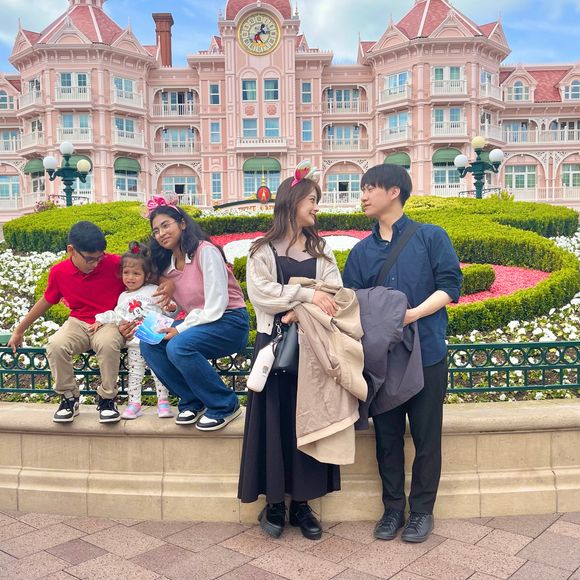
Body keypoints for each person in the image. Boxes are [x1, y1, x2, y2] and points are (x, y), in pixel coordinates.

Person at [342, 164, 462, 543]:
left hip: (427, 353)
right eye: (362, 189)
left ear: (394, 191)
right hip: (383, 360)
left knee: (427, 438)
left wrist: (411, 314)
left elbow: (450, 286)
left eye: (369, 188)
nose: (363, 196)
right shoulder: (361, 252)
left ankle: (422, 511)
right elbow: (350, 302)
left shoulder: (430, 237)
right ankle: (393, 508)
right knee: (387, 438)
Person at [238, 165, 343, 541]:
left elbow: (335, 294)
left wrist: (300, 307)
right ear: (292, 202)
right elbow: (261, 294)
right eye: (312, 200)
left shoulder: (321, 249)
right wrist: (306, 294)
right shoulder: (261, 250)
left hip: (313, 348)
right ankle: (274, 504)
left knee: (308, 422)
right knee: (274, 423)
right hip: (274, 347)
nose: (316, 206)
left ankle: (301, 503)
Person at [139, 197, 249, 431]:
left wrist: (179, 329)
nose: (161, 233)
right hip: (201, 325)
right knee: (149, 343)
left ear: (182, 224)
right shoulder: (168, 265)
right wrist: (170, 310)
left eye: (166, 225)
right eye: (156, 230)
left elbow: (216, 305)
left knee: (178, 346)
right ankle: (192, 401)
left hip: (230, 321)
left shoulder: (205, 251)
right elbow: (184, 306)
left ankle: (225, 405)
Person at [7, 221, 126, 423]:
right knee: (56, 345)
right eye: (90, 259)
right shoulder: (59, 272)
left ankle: (108, 398)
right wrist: (19, 330)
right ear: (71, 250)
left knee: (107, 344)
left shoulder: (115, 263)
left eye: (99, 258)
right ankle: (69, 397)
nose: (95, 264)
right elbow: (46, 301)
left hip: (109, 320)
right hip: (78, 322)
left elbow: (146, 275)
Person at [91, 241, 175, 420]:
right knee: (135, 375)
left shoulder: (153, 290)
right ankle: (134, 404)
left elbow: (168, 310)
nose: (130, 277)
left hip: (154, 341)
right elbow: (117, 315)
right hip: (135, 344)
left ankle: (163, 402)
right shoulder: (123, 297)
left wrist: (171, 307)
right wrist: (100, 319)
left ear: (147, 275)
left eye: (136, 273)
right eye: (126, 273)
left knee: (158, 372)